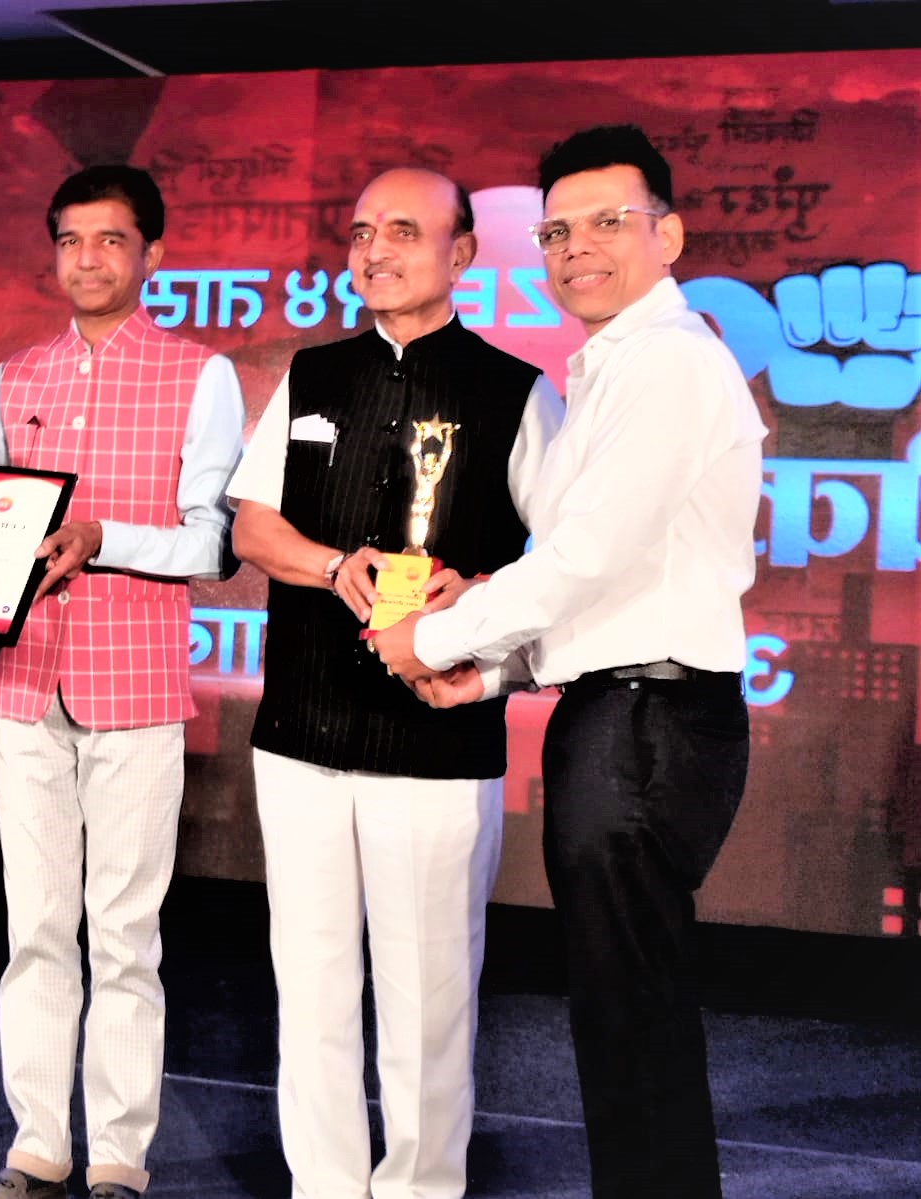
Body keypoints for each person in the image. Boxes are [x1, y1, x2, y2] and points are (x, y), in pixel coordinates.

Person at [372, 126, 766, 1198]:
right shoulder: (616, 369)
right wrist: (495, 671)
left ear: (668, 236)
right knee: (626, 1014)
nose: (575, 247)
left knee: (630, 1018)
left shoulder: (668, 364)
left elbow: (588, 559)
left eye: (606, 222)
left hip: (646, 724)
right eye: (554, 231)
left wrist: (433, 639)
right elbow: (613, 580)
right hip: (624, 710)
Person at [227, 167, 563, 1199]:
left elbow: (567, 559)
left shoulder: (516, 390)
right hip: (301, 726)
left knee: (428, 992)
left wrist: (478, 592)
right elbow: (252, 527)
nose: (375, 249)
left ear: (461, 253)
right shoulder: (312, 374)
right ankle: (326, 1184)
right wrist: (333, 564)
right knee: (312, 983)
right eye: (362, 231)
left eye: (404, 231)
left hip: (438, 733)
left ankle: (422, 1186)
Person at [0, 164, 245, 1199]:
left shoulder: (199, 375)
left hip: (135, 687)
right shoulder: (18, 374)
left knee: (125, 936)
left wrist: (102, 536)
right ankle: (37, 1146)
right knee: (34, 927)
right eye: (71, 239)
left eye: (111, 239)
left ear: (153, 254)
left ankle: (119, 1157)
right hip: (24, 684)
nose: (87, 259)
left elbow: (214, 543)